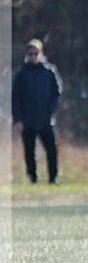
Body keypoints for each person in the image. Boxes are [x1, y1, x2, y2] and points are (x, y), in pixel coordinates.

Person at [12, 39, 62, 185]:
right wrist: (18, 119)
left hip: (46, 119)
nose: (33, 56)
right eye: (30, 53)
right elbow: (16, 98)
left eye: (36, 53)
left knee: (52, 150)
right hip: (27, 119)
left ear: (41, 53)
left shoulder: (49, 71)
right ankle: (32, 178)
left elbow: (56, 93)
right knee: (29, 151)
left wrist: (50, 112)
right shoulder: (21, 74)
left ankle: (53, 178)